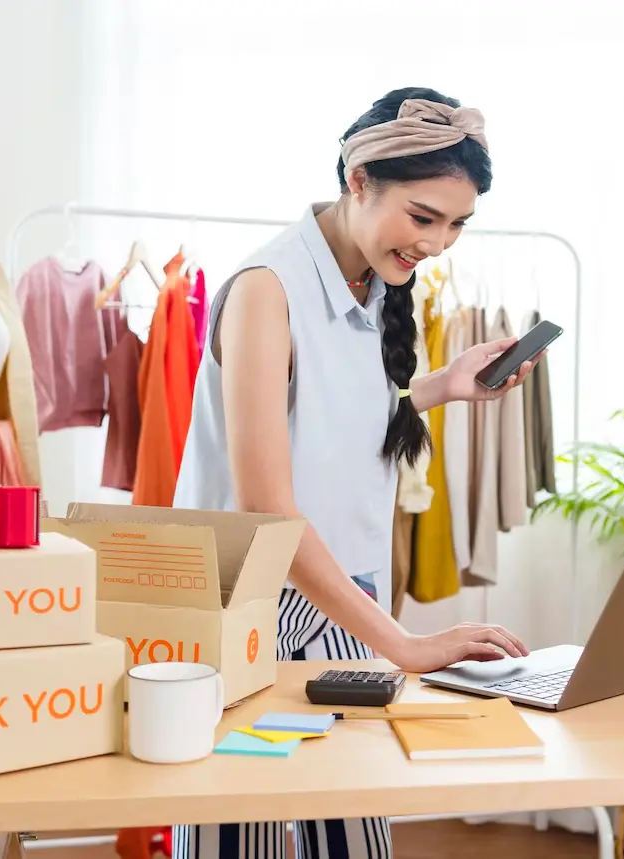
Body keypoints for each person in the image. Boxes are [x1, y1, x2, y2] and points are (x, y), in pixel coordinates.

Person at [170, 87, 539, 859]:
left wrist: (445, 386)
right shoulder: (266, 292)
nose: (438, 243)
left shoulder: (373, 282)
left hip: (341, 597)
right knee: (249, 837)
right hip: (249, 613)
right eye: (424, 217)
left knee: (350, 832)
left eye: (457, 225)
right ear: (358, 180)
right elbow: (268, 509)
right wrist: (405, 643)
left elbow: (341, 416)